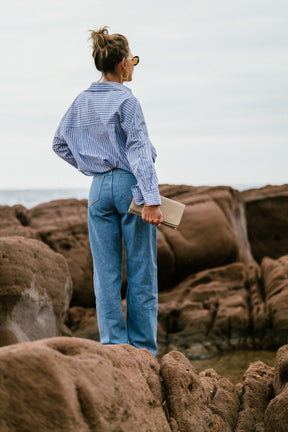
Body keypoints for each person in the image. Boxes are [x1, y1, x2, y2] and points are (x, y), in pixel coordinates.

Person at [52, 27, 163, 356]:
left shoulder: (81, 100)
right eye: (133, 61)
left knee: (106, 275)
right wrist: (152, 200)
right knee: (142, 272)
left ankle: (114, 348)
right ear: (122, 63)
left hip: (98, 190)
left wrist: (90, 167)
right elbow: (140, 152)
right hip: (130, 188)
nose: (133, 66)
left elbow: (59, 144)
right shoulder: (127, 101)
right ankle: (143, 351)